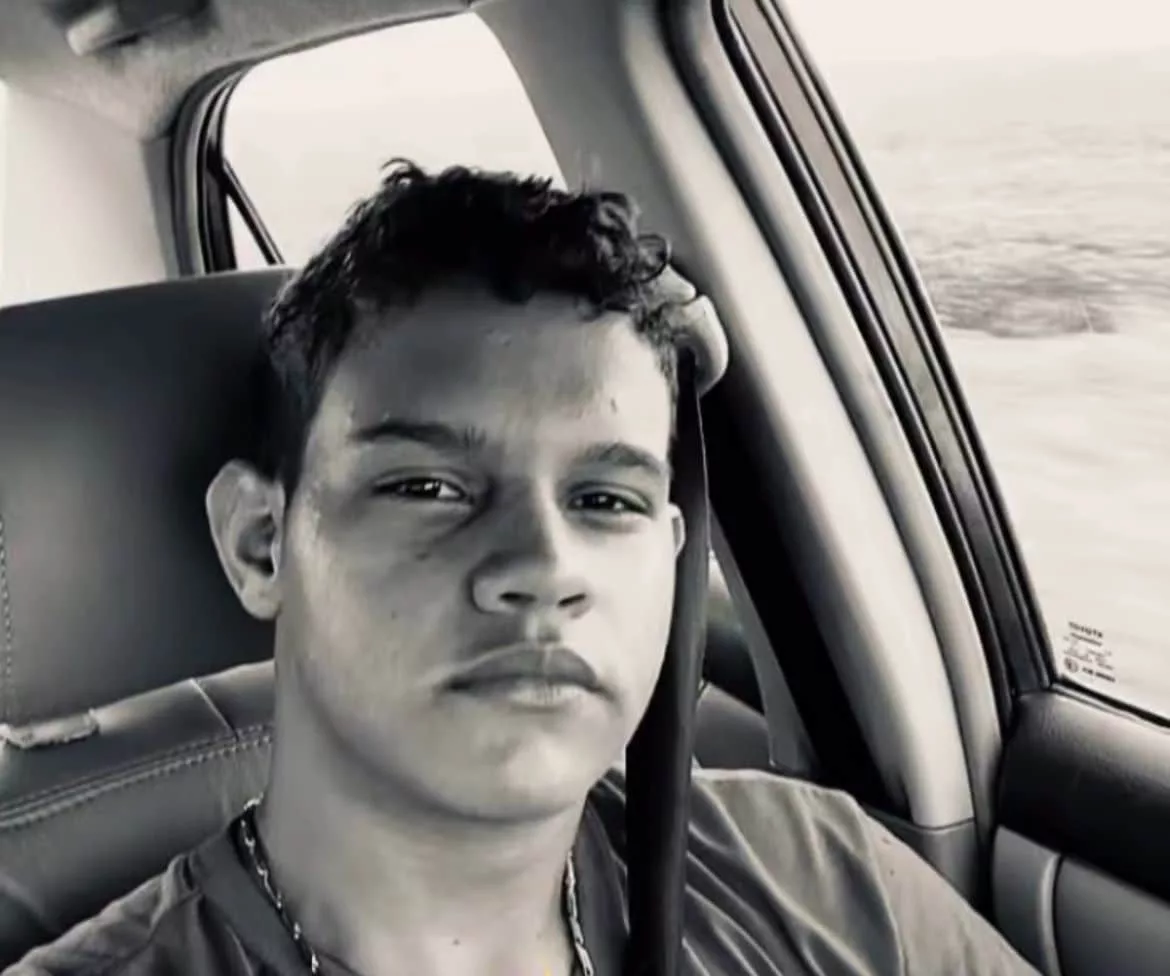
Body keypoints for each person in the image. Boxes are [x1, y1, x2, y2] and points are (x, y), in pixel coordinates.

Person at [10, 161, 1040, 976]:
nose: (546, 568)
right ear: (260, 543)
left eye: (606, 500)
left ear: (670, 558)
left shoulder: (826, 877)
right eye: (428, 487)